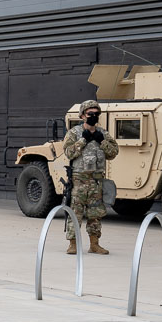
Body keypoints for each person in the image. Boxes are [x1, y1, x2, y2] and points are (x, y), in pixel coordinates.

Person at [63, 98, 119, 255]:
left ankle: (94, 244)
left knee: (96, 213)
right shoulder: (74, 133)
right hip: (78, 180)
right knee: (75, 212)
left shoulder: (104, 134)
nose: (93, 116)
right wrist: (83, 140)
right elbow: (68, 152)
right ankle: (72, 244)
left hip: (96, 181)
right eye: (90, 113)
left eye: (96, 113)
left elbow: (113, 153)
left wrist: (102, 141)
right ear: (82, 115)